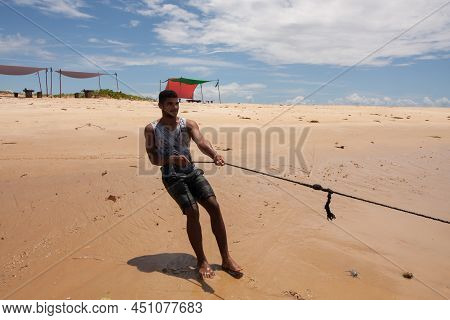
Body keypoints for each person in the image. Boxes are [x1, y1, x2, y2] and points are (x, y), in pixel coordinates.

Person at [144, 90, 242, 279]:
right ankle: (202, 260)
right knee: (193, 211)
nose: (174, 107)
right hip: (171, 176)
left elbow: (201, 141)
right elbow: (153, 158)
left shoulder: (188, 124)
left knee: (214, 206)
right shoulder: (151, 129)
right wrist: (171, 159)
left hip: (190, 172)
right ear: (161, 106)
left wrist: (214, 155)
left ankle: (226, 258)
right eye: (170, 104)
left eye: (176, 103)